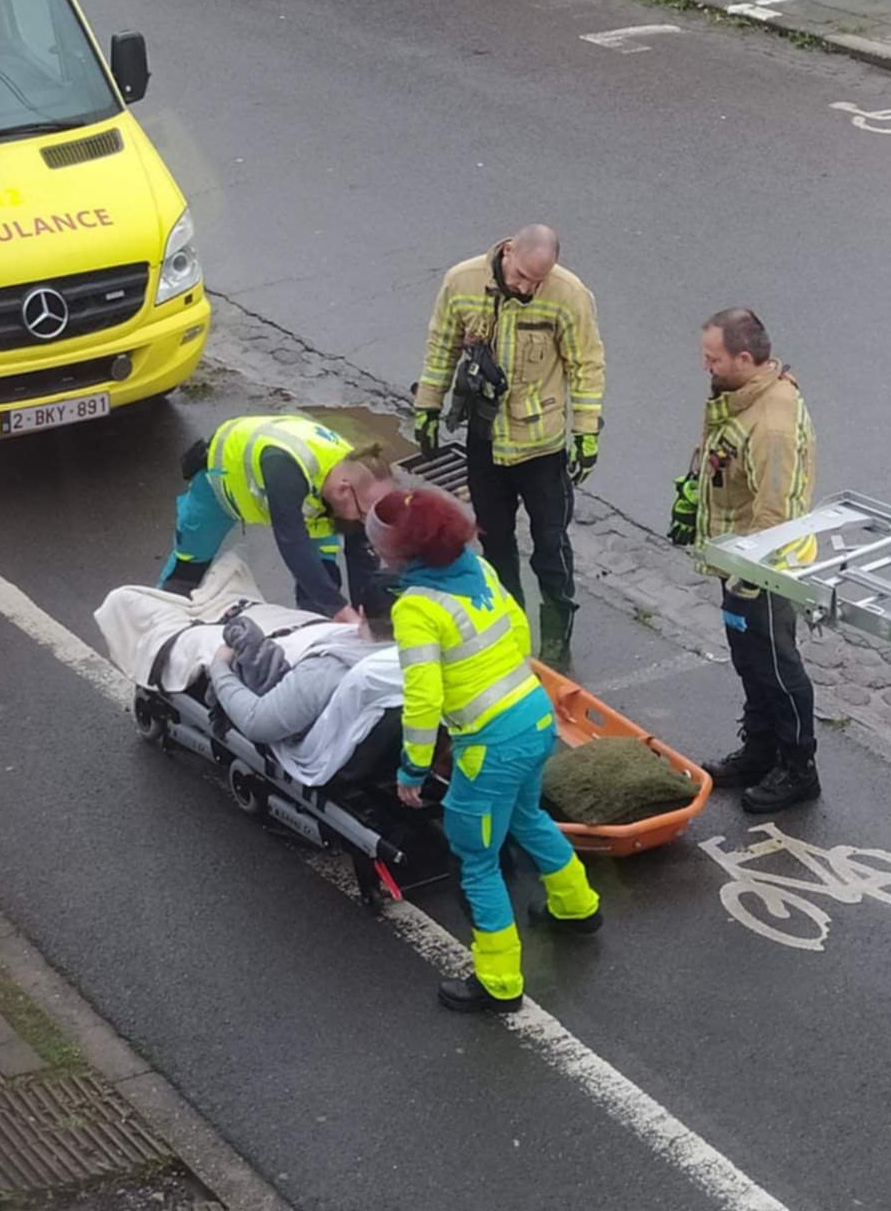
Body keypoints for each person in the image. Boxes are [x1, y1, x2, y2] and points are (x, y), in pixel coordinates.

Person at [367, 486, 602, 1015]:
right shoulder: (480, 571)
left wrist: (413, 767)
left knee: (476, 859)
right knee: (527, 817)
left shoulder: (418, 608)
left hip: (488, 747)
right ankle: (577, 905)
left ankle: (498, 981)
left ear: (403, 551)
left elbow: (423, 698)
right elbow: (518, 635)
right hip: (535, 718)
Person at [412, 225, 605, 672]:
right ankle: (509, 628)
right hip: (486, 439)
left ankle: (556, 639)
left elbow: (586, 364)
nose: (526, 288)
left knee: (550, 546)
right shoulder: (462, 283)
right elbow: (441, 346)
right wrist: (427, 406)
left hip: (543, 448)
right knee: (494, 541)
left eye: (536, 282)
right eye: (520, 277)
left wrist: (587, 431)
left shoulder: (568, 294)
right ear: (508, 250)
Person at [669, 308, 819, 812]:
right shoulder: (740, 398)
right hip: (740, 563)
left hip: (764, 570)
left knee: (776, 666)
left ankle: (798, 767)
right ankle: (760, 751)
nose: (706, 367)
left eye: (713, 359)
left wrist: (747, 582)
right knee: (750, 662)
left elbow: (773, 514)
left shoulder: (770, 423)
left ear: (746, 358)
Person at [160, 414, 394, 620]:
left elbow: (361, 555)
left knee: (324, 582)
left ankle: (314, 644)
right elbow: (291, 543)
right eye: (364, 516)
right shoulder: (286, 471)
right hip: (221, 485)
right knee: (185, 576)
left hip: (312, 500)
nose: (365, 523)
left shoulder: (356, 481)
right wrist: (339, 608)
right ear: (343, 491)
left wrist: (368, 617)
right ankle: (155, 626)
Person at [208, 575, 400, 745]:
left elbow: (256, 722)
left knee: (225, 575)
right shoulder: (423, 661)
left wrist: (220, 668)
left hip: (280, 644)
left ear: (362, 613)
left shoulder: (325, 672)